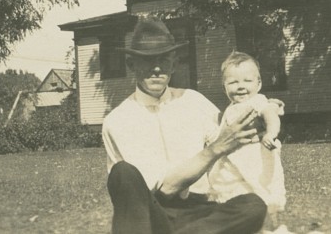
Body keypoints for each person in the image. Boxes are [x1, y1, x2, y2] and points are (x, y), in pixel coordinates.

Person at [102, 17, 268, 234]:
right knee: (122, 173)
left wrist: (265, 110)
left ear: (174, 62)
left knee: (253, 206)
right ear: (131, 64)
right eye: (147, 60)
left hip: (200, 214)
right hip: (152, 217)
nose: (157, 68)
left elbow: (232, 133)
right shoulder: (119, 119)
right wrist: (215, 149)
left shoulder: (193, 100)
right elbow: (165, 189)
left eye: (164, 59)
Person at [209, 52, 286, 224]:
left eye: (247, 81)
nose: (241, 86)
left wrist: (271, 134)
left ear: (259, 84)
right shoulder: (229, 108)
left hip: (256, 156)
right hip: (233, 161)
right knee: (234, 193)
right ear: (224, 88)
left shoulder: (258, 101)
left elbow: (271, 116)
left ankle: (269, 224)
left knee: (262, 190)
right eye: (233, 82)